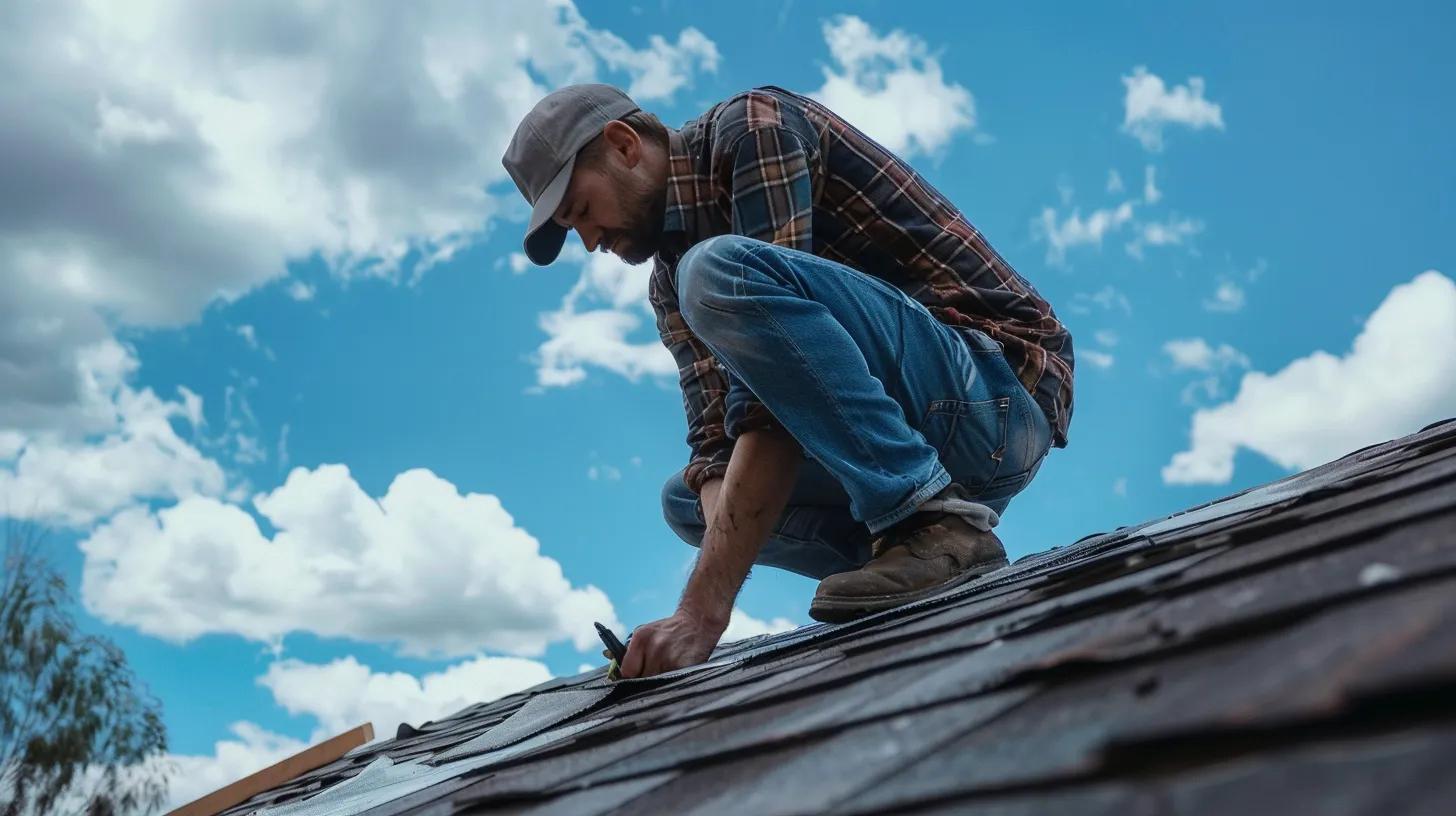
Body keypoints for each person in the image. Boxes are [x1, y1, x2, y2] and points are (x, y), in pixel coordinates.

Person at [502, 83, 1074, 678]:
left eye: (582, 212)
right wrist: (684, 617)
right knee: (689, 505)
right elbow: (715, 444)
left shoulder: (752, 128)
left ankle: (926, 519)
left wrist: (701, 613)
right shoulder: (669, 282)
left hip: (997, 395)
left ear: (624, 145)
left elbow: (768, 411)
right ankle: (921, 549)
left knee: (718, 270)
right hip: (925, 435)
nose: (590, 242)